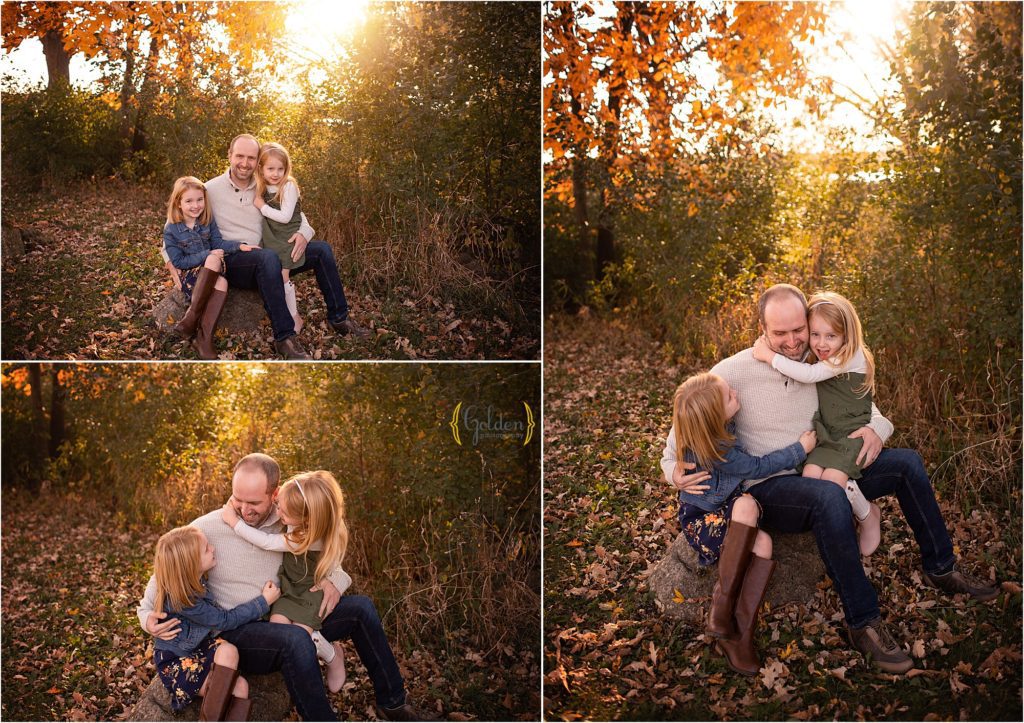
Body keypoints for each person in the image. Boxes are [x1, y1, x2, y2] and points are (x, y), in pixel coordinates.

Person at [664, 284, 998, 675]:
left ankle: (942, 567)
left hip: (825, 460)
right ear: (762, 328)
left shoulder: (822, 358)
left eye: (798, 330)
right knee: (828, 497)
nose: (791, 341)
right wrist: (674, 473)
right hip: (769, 487)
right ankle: (863, 621)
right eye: (779, 333)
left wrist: (877, 430)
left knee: (906, 464)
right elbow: (676, 445)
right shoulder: (731, 372)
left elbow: (867, 408)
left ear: (808, 323)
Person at [138, 453, 433, 721]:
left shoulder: (292, 518)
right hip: (239, 632)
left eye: (254, 502)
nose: (244, 509)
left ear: (275, 494)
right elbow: (163, 577)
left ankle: (393, 702)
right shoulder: (207, 527)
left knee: (361, 608)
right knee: (295, 639)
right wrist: (148, 619)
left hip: (290, 609)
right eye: (237, 498)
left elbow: (331, 557)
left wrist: (335, 582)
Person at [662, 372, 816, 675]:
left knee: (763, 540)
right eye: (729, 395)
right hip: (702, 520)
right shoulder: (720, 451)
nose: (735, 391)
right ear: (714, 416)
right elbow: (760, 466)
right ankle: (722, 612)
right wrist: (800, 449)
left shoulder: (707, 427)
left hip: (728, 507)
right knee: (748, 510)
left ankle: (739, 633)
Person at [165, 134, 370, 359]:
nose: (245, 163)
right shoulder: (210, 189)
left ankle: (339, 318)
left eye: (251, 158)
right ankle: (285, 338)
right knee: (268, 257)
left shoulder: (266, 184)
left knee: (321, 251)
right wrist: (170, 264)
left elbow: (296, 215)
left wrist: (304, 233)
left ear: (258, 161)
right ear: (229, 156)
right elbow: (174, 225)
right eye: (240, 156)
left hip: (271, 252)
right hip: (235, 258)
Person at [752, 291, 883, 556]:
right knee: (811, 476)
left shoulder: (849, 355)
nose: (821, 344)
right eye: (815, 334)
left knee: (834, 482)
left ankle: (868, 515)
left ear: (847, 335)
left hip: (850, 434)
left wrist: (768, 355)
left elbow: (810, 375)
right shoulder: (826, 355)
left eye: (831, 336)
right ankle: (830, 528)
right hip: (827, 433)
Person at [221, 471, 348, 694]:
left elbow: (267, 542)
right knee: (278, 630)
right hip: (289, 588)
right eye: (279, 505)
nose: (278, 513)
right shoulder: (304, 515)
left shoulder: (307, 538)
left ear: (307, 520)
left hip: (310, 592)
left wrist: (233, 522)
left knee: (302, 636)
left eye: (284, 513)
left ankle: (332, 656)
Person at [150, 524, 281, 721]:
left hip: (200, 648)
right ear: (191, 564)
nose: (213, 548)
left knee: (237, 673)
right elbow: (224, 620)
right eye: (206, 549)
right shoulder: (185, 600)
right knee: (238, 684)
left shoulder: (195, 581)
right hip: (177, 660)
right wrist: (263, 602)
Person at [163, 176, 254, 360]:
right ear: (178, 203)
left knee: (217, 271)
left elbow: (218, 242)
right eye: (189, 201)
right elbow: (179, 262)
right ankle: (198, 328)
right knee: (219, 277)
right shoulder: (172, 230)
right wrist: (208, 255)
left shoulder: (207, 220)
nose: (195, 205)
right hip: (191, 277)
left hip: (210, 271)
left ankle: (198, 331)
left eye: (199, 199)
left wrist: (239, 246)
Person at [253, 142, 306, 334]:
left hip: (286, 236)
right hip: (271, 236)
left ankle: (294, 317)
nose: (275, 174)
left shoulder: (288, 186)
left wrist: (262, 206)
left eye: (280, 169)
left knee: (283, 276)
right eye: (270, 169)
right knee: (272, 274)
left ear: (286, 169)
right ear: (261, 168)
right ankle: (281, 312)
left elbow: (285, 217)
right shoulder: (262, 186)